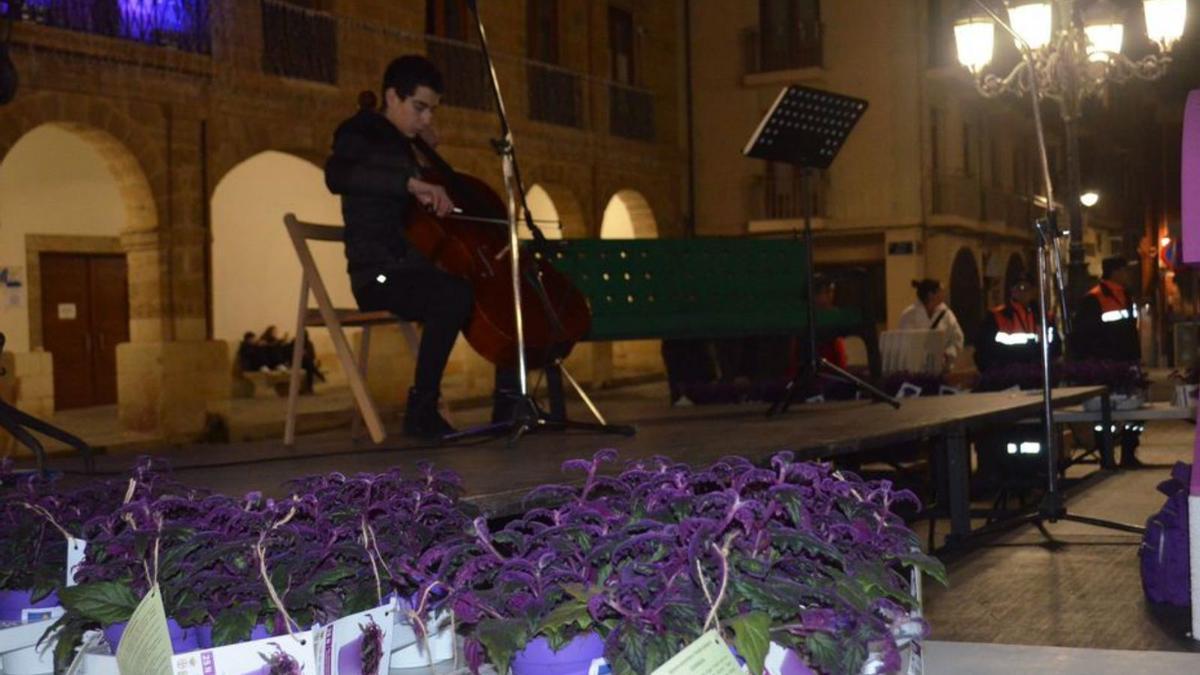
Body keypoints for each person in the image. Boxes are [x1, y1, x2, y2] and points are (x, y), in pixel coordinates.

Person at [325, 55, 515, 439]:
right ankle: (421, 408)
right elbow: (337, 174)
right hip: (377, 272)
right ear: (392, 97)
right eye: (420, 108)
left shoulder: (403, 144)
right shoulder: (360, 129)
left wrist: (419, 160)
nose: (427, 118)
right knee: (454, 295)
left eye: (432, 110)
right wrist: (412, 182)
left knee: (495, 294)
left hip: (412, 267)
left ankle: (509, 406)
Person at [1070, 256, 1143, 467]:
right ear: (1115, 272)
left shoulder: (1125, 296)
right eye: (1125, 271)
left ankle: (1129, 453)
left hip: (1127, 364)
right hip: (1105, 367)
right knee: (1104, 416)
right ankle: (1107, 456)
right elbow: (1085, 336)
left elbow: (1130, 331)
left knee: (1134, 413)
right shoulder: (1094, 299)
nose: (1128, 275)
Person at [974, 274, 1060, 373]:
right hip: (1009, 375)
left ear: (1034, 292)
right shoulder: (998, 316)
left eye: (1028, 288)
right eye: (1020, 287)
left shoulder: (1044, 318)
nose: (1024, 292)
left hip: (1038, 374)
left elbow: (1056, 347)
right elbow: (984, 349)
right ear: (1012, 291)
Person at [897, 278, 964, 373]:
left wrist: (948, 353)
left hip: (941, 368)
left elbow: (957, 338)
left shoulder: (947, 315)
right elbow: (904, 344)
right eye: (941, 291)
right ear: (931, 295)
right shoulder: (909, 315)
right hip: (916, 370)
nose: (944, 294)